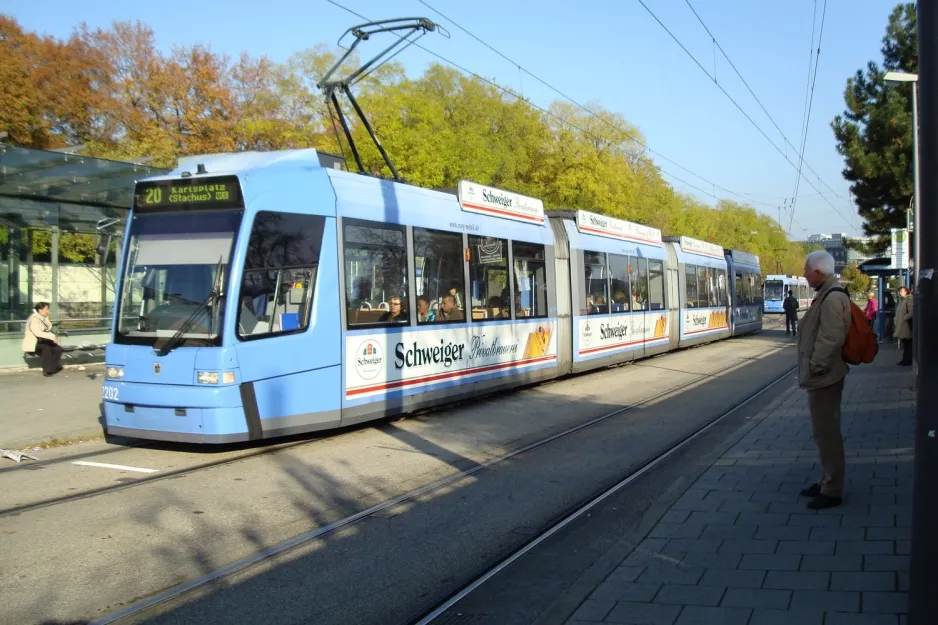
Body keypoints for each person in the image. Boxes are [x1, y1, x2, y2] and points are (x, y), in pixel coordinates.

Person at [797, 250, 851, 510]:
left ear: (817, 271)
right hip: (824, 376)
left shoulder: (831, 298)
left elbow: (831, 338)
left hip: (825, 377)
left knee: (827, 434)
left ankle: (832, 490)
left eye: (806, 270)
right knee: (823, 433)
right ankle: (826, 480)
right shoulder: (827, 294)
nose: (804, 275)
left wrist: (816, 367)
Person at [22, 302, 63, 377]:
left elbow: (49, 327)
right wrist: (52, 336)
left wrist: (46, 318)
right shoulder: (34, 319)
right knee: (46, 348)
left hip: (42, 340)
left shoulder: (42, 318)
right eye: (46, 310)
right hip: (34, 343)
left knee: (58, 349)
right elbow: (37, 332)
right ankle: (47, 371)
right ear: (40, 310)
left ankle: (54, 367)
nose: (48, 311)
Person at [895, 286, 913, 366]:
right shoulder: (901, 300)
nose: (900, 293)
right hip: (901, 324)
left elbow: (911, 312)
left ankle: (907, 360)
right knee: (905, 343)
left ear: (906, 292)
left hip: (906, 325)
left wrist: (904, 318)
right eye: (899, 291)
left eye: (901, 291)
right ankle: (905, 359)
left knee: (907, 343)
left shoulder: (909, 300)